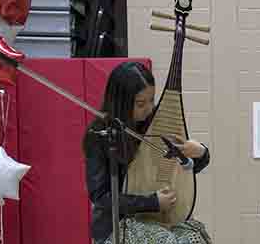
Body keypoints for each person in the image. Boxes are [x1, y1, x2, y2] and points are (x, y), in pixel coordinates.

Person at [82, 62, 212, 244]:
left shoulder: (153, 123)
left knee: (196, 236)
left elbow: (179, 171)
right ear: (121, 101)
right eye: (141, 103)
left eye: (152, 100)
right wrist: (153, 202)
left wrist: (201, 153)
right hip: (118, 226)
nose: (150, 108)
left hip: (156, 220)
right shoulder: (99, 135)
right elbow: (101, 197)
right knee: (165, 241)